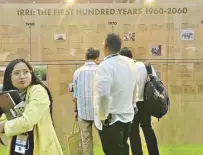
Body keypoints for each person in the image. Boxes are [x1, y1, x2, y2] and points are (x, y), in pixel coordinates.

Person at [0, 58, 63, 155]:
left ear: (31, 73)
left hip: (38, 146)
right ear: (9, 77)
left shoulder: (38, 90)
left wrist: (3, 126)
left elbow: (28, 122)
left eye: (26, 72)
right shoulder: (11, 95)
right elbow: (8, 116)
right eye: (16, 73)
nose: (22, 76)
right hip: (18, 144)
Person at [94, 33, 137, 155]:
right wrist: (133, 106)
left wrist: (102, 116)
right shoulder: (130, 63)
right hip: (127, 117)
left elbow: (103, 95)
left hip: (111, 120)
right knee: (123, 149)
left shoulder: (105, 66)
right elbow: (135, 88)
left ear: (106, 45)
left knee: (112, 151)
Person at [119, 47, 160, 155]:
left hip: (131, 104)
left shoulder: (124, 69)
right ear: (131, 56)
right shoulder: (144, 66)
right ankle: (154, 153)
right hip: (145, 103)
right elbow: (155, 81)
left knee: (133, 132)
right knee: (148, 129)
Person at [73, 48, 100, 155]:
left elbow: (75, 96)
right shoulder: (101, 70)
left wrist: (75, 110)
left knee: (86, 141)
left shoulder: (77, 72)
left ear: (85, 57)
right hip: (99, 113)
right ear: (97, 58)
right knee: (105, 139)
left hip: (83, 112)